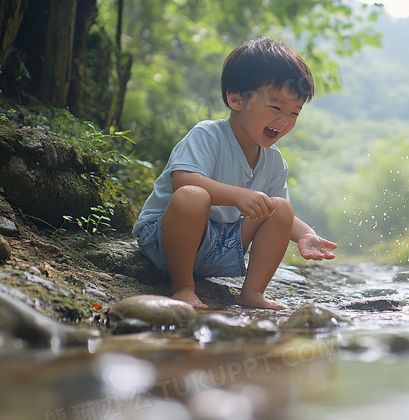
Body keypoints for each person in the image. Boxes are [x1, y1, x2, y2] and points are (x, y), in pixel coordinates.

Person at [132, 37, 337, 310]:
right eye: (276, 107)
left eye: (294, 113)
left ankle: (252, 294)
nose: (285, 121)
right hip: (167, 241)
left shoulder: (274, 162)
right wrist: (238, 195)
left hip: (218, 248)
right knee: (193, 195)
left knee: (281, 209)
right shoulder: (208, 135)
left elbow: (277, 213)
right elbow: (183, 181)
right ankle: (182, 287)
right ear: (236, 98)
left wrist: (305, 234)